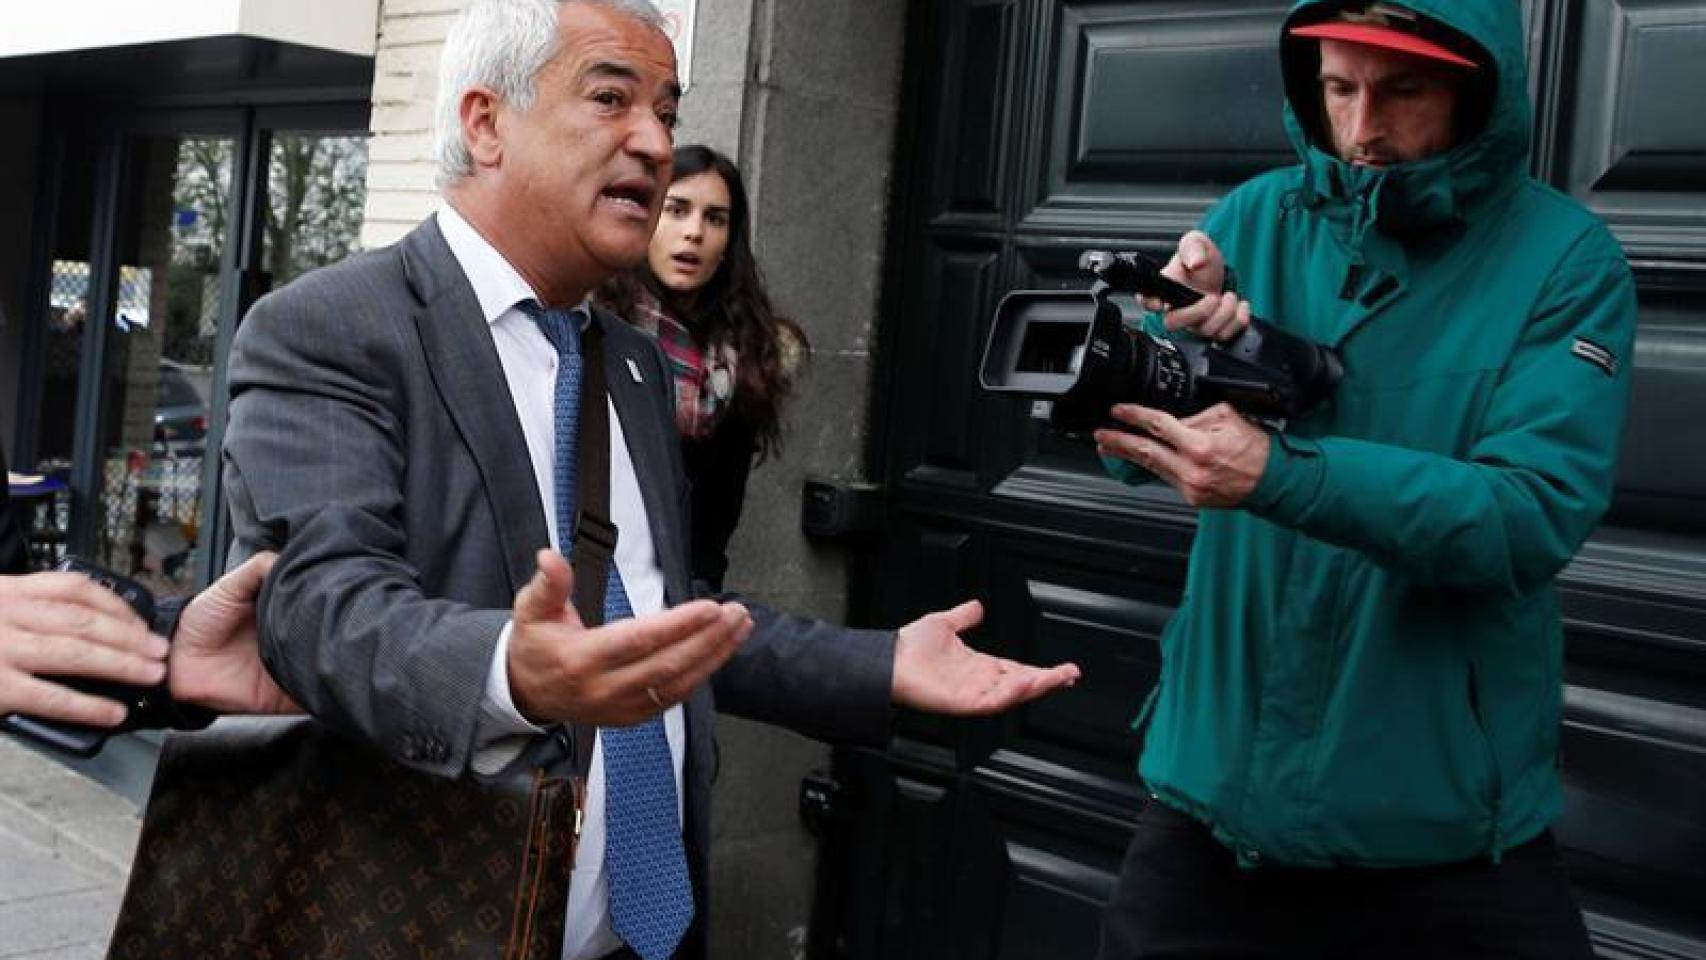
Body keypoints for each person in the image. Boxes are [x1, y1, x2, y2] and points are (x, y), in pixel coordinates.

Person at [218, 3, 1081, 960]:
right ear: (485, 121)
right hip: (440, 922)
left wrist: (874, 665)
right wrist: (511, 670)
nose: (655, 141)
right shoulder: (335, 327)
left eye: (668, 111)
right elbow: (319, 609)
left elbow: (665, 616)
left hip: (645, 932)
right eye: (611, 99)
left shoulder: (629, 365)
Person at [1091, 2, 1634, 958]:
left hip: (1441, 829)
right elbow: (1121, 451)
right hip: (1213, 804)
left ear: (1476, 89)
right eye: (1339, 88)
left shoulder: (1565, 261)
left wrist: (1281, 473)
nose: (1361, 128)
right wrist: (1162, 346)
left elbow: (1527, 516)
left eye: (1403, 91)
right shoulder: (1254, 217)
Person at [599, 144, 801, 591]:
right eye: (676, 210)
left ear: (730, 241)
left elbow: (717, 521)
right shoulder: (596, 328)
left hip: (682, 592)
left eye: (714, 219)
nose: (694, 233)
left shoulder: (747, 356)